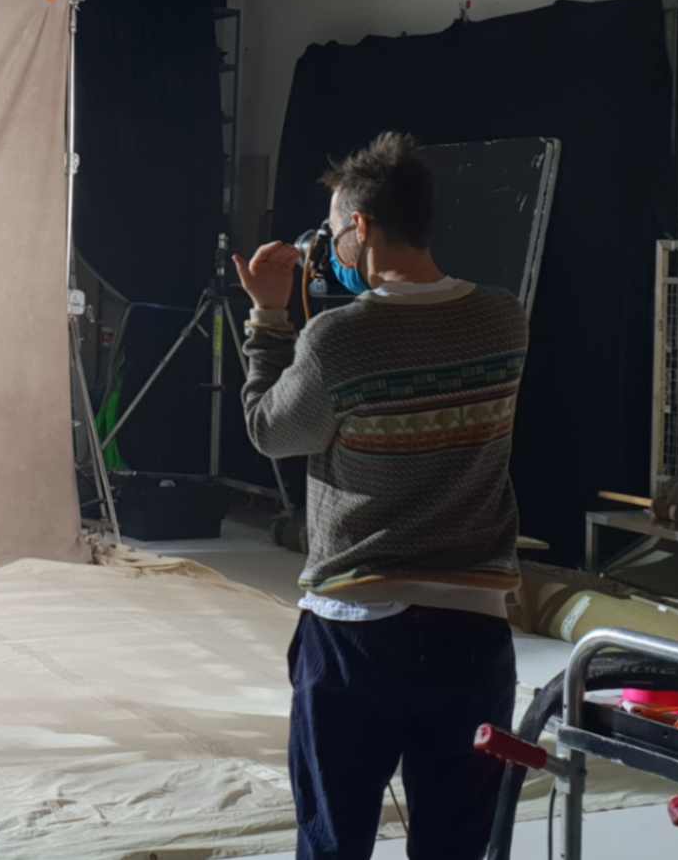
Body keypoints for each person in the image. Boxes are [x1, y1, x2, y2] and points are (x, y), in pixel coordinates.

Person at [232, 131, 531, 860]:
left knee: (335, 839)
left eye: (334, 231)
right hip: (474, 629)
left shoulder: (339, 338)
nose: (331, 247)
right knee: (455, 844)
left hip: (357, 629)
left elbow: (271, 429)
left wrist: (269, 317)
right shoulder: (505, 321)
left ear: (360, 226)